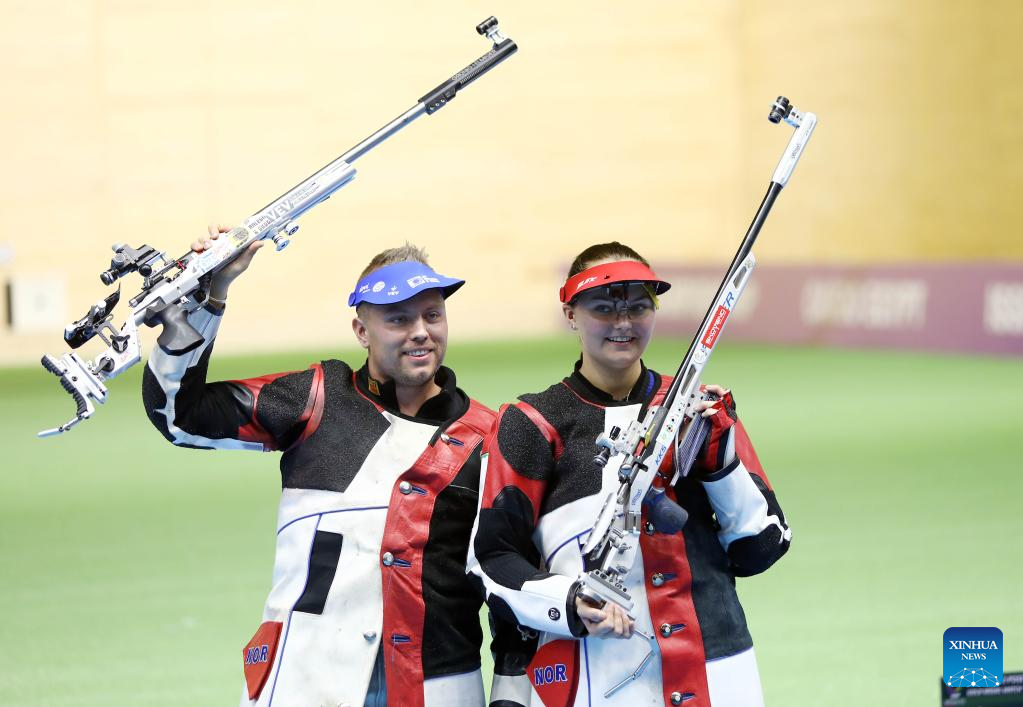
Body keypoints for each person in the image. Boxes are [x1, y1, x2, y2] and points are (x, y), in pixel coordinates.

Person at [143, 226, 496, 707]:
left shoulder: (488, 435)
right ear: (361, 331)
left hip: (438, 683)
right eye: (397, 319)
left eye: (432, 315)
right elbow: (180, 416)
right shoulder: (315, 396)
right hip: (305, 676)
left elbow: (507, 572)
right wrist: (209, 301)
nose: (420, 332)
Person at [469, 242, 791, 707]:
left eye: (639, 306)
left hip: (718, 668)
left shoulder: (699, 410)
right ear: (570, 314)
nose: (623, 324)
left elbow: (761, 548)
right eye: (603, 307)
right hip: (594, 674)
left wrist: (720, 465)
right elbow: (491, 560)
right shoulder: (532, 422)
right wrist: (572, 599)